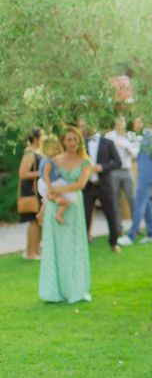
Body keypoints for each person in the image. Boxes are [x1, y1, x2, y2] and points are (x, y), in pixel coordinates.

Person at [39, 126, 92, 303]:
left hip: (74, 205)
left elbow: (80, 184)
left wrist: (58, 189)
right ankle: (54, 291)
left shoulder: (85, 162)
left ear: (79, 141)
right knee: (55, 245)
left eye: (75, 140)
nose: (71, 143)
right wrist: (51, 194)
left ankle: (75, 289)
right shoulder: (54, 160)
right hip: (56, 204)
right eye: (68, 139)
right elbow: (44, 178)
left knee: (74, 244)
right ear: (63, 141)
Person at [78, 118, 122, 253]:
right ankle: (83, 243)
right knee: (84, 214)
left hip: (104, 184)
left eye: (86, 125)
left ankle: (114, 242)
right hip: (88, 185)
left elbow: (117, 162)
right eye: (83, 126)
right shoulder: (81, 145)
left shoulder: (107, 142)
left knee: (111, 214)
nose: (85, 128)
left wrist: (102, 167)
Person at [118, 129, 152, 245]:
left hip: (147, 176)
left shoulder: (148, 137)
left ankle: (131, 236)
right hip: (145, 175)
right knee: (147, 205)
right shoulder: (139, 138)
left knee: (139, 205)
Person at [105, 116, 139, 235]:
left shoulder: (130, 137)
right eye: (118, 122)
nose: (120, 124)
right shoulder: (109, 136)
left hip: (127, 170)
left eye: (122, 122)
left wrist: (126, 147)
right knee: (115, 200)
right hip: (114, 171)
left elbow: (136, 154)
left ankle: (136, 226)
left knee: (132, 198)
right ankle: (118, 228)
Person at [36, 137, 74, 225]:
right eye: (55, 149)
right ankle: (58, 214)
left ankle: (40, 214)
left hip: (45, 183)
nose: (57, 151)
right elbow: (46, 176)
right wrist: (51, 188)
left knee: (47, 200)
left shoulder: (44, 159)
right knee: (66, 200)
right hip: (49, 183)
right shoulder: (48, 161)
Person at [18, 128, 43, 260]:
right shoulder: (29, 152)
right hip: (31, 192)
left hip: (39, 191)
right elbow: (23, 174)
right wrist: (42, 173)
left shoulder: (39, 151)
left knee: (39, 221)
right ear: (36, 138)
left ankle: (36, 250)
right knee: (33, 221)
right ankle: (30, 252)